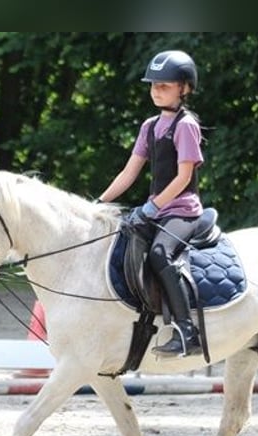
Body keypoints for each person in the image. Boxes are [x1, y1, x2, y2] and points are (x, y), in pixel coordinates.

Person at [97, 49, 204, 358]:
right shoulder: (149, 126)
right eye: (153, 85)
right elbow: (130, 172)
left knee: (160, 254)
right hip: (157, 207)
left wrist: (153, 207)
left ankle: (187, 331)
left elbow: (184, 177)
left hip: (182, 210)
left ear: (184, 88)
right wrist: (99, 202)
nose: (156, 91)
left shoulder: (186, 126)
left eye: (164, 86)